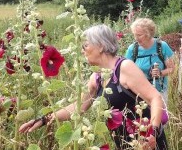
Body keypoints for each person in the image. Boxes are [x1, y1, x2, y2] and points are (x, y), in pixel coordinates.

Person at [19, 24, 168, 150]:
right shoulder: (96, 78)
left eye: (85, 45)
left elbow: (155, 98)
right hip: (124, 144)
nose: (83, 51)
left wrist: (152, 133)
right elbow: (78, 108)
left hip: (147, 143)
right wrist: (44, 119)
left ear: (101, 46)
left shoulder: (124, 67)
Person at [125, 18, 175, 104]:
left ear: (149, 34)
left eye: (139, 35)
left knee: (160, 116)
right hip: (139, 93)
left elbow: (172, 68)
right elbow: (125, 72)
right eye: (134, 35)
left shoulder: (162, 46)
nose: (136, 38)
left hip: (159, 91)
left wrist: (160, 73)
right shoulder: (132, 49)